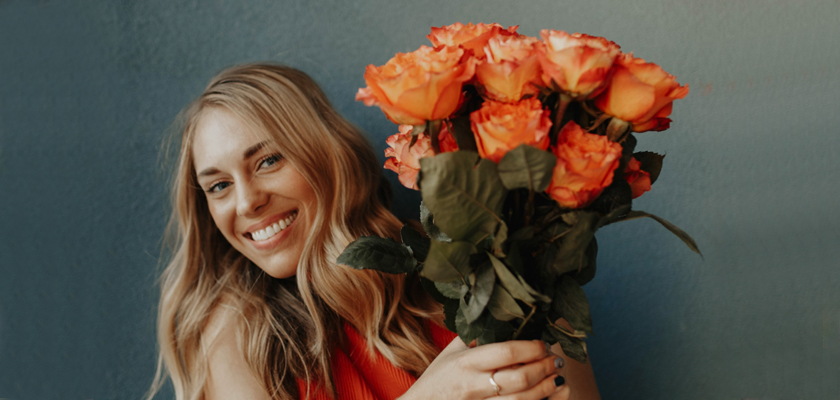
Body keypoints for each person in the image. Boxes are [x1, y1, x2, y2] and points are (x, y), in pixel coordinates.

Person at [147, 63, 598, 400]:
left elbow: (566, 385)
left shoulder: (464, 260)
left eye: (268, 161)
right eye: (219, 186)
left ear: (326, 153)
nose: (246, 202)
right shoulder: (234, 324)